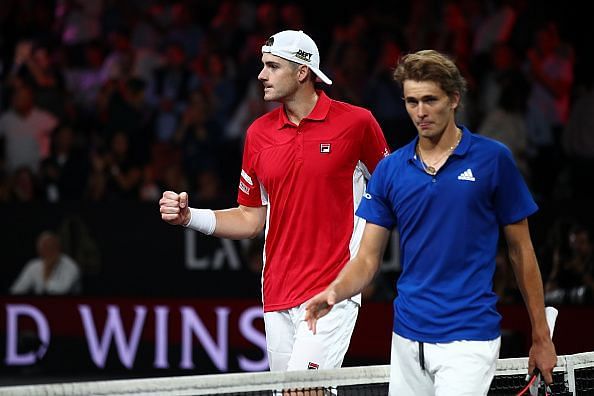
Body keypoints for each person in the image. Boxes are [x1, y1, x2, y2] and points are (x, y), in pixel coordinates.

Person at [305, 49, 556, 395]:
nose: (420, 113)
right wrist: (335, 291)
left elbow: (522, 251)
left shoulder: (493, 160)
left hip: (469, 339)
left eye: (429, 100)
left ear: (454, 99)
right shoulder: (391, 170)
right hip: (407, 339)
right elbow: (366, 259)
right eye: (411, 102)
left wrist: (541, 336)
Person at [159, 30, 390, 372]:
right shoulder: (257, 134)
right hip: (276, 294)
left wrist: (366, 265)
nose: (261, 75)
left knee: (302, 392)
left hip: (332, 291)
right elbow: (250, 219)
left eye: (272, 66)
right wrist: (189, 217)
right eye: (262, 65)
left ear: (301, 72)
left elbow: (393, 191)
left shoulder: (357, 123)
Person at [10, 231, 81, 295]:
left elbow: (61, 291)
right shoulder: (33, 265)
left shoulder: (70, 265)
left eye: (53, 247)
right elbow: (17, 290)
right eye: (46, 248)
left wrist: (47, 271)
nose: (50, 251)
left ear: (59, 248)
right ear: (40, 251)